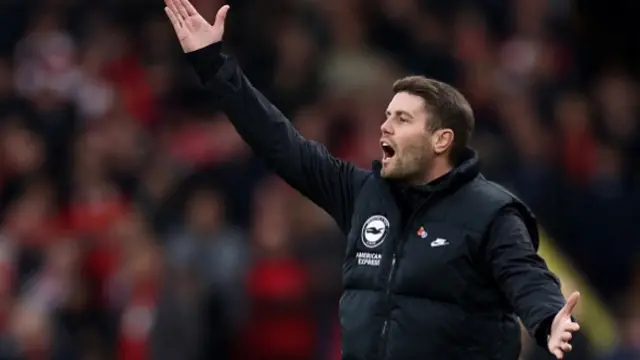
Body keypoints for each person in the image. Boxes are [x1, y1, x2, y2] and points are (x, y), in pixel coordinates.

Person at [162, 1, 582, 359]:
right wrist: (212, 63)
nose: (385, 127)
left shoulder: (490, 212)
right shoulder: (363, 192)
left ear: (441, 139)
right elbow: (278, 142)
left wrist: (549, 320)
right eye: (386, 116)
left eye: (401, 119)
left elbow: (527, 277)